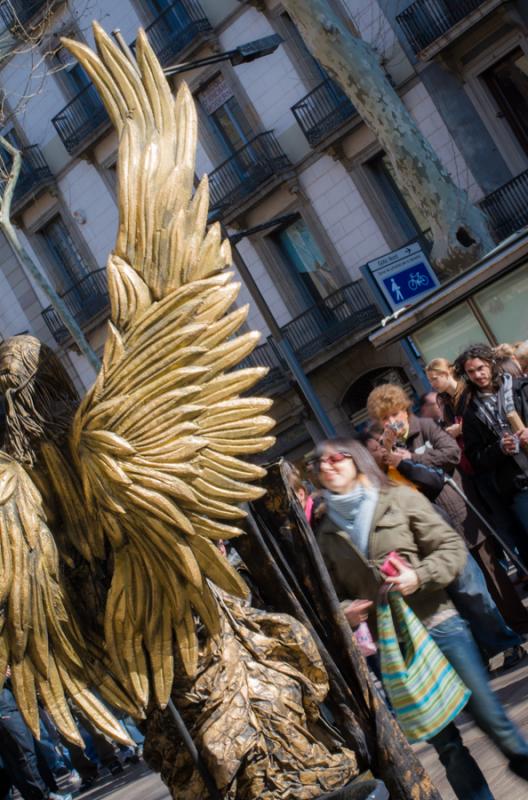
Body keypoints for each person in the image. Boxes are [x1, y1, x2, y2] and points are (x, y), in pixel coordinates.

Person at [311, 437, 528, 800]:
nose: (328, 466)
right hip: (394, 650)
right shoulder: (326, 535)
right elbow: (330, 593)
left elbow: (451, 548)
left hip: (440, 626)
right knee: (448, 747)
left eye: (336, 457)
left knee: (493, 720)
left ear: (358, 460)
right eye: (319, 464)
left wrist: (419, 576)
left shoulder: (398, 498)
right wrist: (346, 611)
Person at [366, 382, 528, 655]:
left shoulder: (426, 426)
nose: (392, 421)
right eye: (385, 418)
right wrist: (390, 456)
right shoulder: (383, 445)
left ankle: (519, 627)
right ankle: (493, 644)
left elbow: (451, 453)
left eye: (396, 414)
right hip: (432, 524)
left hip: (461, 510)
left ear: (405, 410)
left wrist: (414, 457)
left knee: (491, 573)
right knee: (466, 589)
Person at [455, 343, 528, 540]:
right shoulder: (470, 412)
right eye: (471, 372)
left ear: (491, 364)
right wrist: (499, 448)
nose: (478, 375)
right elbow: (475, 458)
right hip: (517, 483)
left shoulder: (520, 388)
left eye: (481, 368)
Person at [0, 685, 72, 800]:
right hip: (5, 711)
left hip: (12, 706)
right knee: (25, 757)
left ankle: (45, 793)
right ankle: (44, 796)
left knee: (22, 759)